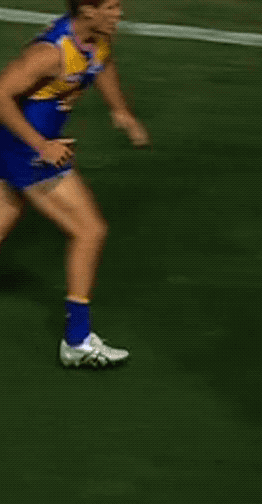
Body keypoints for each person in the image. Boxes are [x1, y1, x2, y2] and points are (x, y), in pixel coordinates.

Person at [0, 0, 149, 367]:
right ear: (87, 10)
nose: (119, 13)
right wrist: (42, 146)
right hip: (27, 149)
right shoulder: (49, 54)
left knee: (5, 214)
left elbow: (102, 65)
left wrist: (120, 110)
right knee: (89, 230)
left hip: (20, 146)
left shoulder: (96, 38)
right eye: (111, 6)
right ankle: (77, 341)